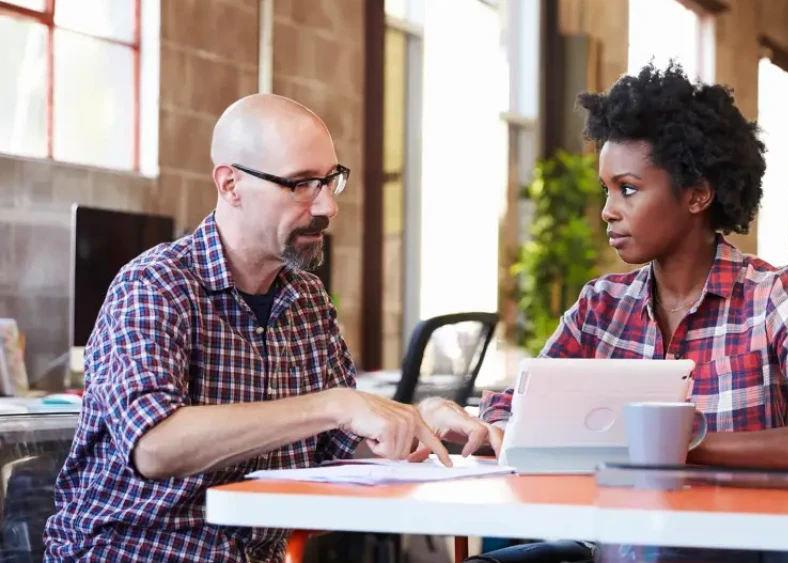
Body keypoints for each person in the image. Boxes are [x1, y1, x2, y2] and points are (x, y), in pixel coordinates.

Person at [43, 94, 498, 563]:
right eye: (301, 184)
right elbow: (153, 447)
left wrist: (419, 422)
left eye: (329, 181)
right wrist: (332, 405)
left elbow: (341, 444)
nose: (327, 207)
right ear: (230, 184)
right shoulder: (155, 285)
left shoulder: (307, 301)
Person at [463, 61, 788, 562]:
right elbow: (514, 411)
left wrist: (681, 448)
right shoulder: (601, 307)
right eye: (606, 190)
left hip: (734, 549)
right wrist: (479, 423)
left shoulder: (770, 296)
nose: (607, 210)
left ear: (697, 194)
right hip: (616, 544)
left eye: (628, 188)